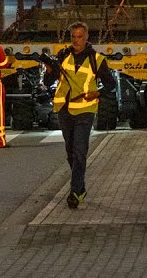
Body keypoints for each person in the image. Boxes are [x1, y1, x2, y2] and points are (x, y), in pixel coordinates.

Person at [40, 22, 118, 209]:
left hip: (85, 109)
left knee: (80, 151)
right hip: (64, 109)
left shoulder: (96, 59)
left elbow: (110, 85)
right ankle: (80, 187)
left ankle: (75, 191)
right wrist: (50, 71)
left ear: (86, 37)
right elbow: (49, 81)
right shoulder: (63, 56)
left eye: (80, 36)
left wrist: (96, 93)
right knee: (70, 152)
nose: (76, 40)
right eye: (73, 37)